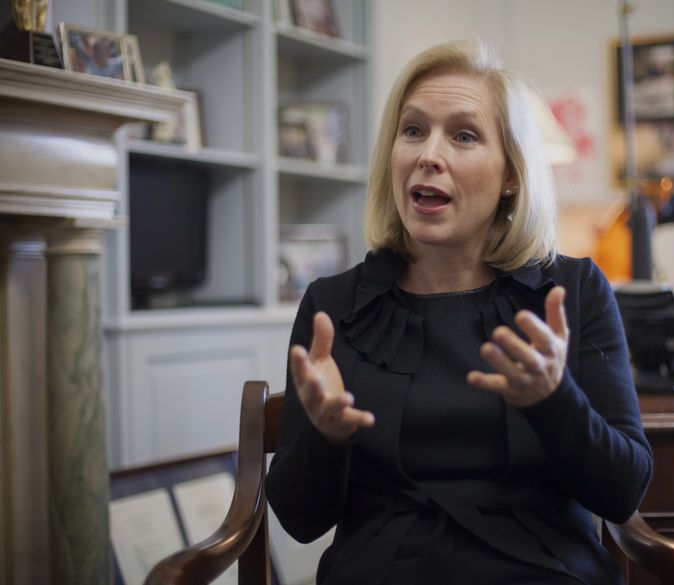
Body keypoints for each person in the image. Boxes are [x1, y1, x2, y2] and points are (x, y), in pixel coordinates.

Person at [265, 39, 653, 585]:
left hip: (540, 572)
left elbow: (622, 493)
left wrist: (555, 401)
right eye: (413, 130)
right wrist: (324, 435)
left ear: (511, 174)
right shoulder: (333, 306)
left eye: (464, 135)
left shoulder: (574, 291)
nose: (428, 154)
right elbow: (300, 521)